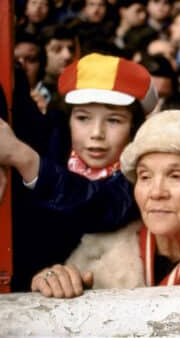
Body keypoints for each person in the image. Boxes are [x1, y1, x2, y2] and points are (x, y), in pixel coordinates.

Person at [30, 110, 180, 297]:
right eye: (145, 176)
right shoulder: (96, 262)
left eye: (175, 176)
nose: (156, 192)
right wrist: (53, 284)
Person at [1, 53, 158, 290]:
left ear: (134, 129)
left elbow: (100, 205)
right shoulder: (53, 144)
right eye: (83, 118)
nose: (97, 132)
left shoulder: (138, 175)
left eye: (114, 121)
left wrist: (25, 159)